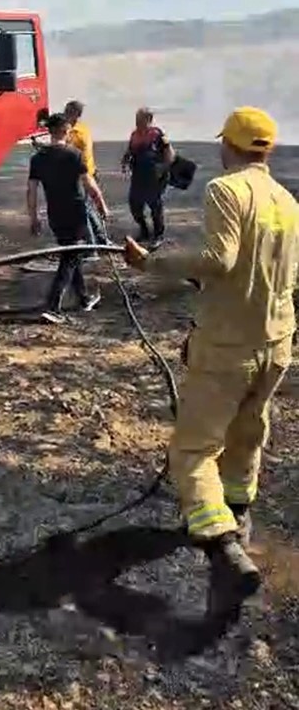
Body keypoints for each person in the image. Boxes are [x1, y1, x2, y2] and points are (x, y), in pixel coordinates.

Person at [124, 106, 299, 615]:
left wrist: (150, 263)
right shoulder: (287, 202)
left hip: (228, 347)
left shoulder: (227, 191)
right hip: (277, 343)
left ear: (232, 145)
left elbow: (221, 261)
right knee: (249, 430)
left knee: (194, 450)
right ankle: (239, 514)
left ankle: (221, 544)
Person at [28, 112, 109, 323]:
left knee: (71, 253)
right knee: (71, 257)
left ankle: (83, 298)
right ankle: (52, 306)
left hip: (55, 215)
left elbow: (31, 190)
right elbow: (89, 184)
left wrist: (34, 217)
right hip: (76, 213)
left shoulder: (38, 158)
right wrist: (102, 206)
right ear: (66, 131)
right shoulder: (74, 154)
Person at [121, 107, 175, 248]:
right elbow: (130, 151)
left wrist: (163, 169)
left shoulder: (158, 135)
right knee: (135, 205)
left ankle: (158, 235)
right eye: (136, 119)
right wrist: (125, 162)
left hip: (154, 177)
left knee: (155, 206)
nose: (137, 122)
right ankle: (144, 230)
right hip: (138, 175)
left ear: (148, 120)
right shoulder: (134, 135)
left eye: (140, 119)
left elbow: (170, 154)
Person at [64, 100, 105, 258]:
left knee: (81, 212)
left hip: (82, 176)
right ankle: (101, 241)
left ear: (75, 114)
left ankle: (92, 248)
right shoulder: (81, 129)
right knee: (88, 209)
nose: (65, 113)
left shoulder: (76, 133)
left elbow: (68, 152)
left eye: (68, 111)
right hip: (87, 173)